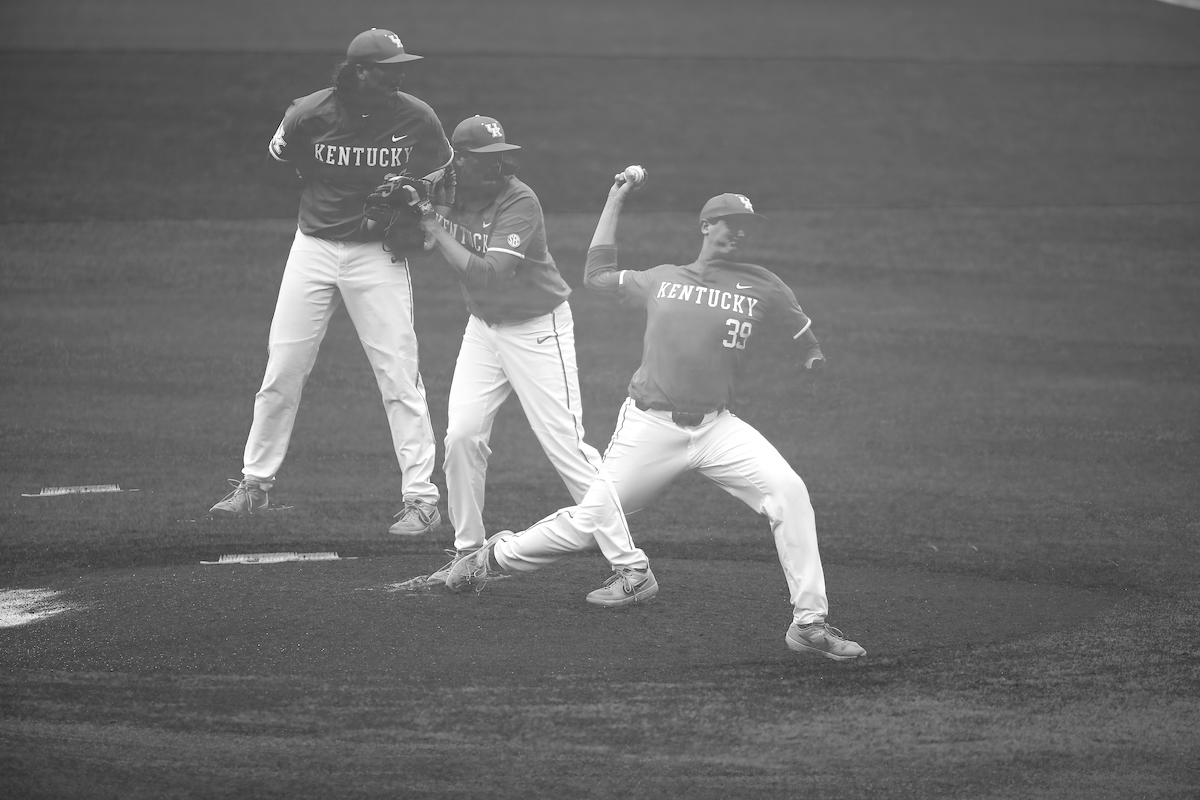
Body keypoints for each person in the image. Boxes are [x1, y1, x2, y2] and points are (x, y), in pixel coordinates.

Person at [446, 174, 866, 661]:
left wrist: (814, 359)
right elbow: (597, 274)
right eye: (729, 223)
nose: (738, 233)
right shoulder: (663, 277)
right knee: (590, 523)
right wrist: (614, 199)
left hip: (717, 428)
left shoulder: (763, 284)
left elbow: (801, 330)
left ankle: (809, 623)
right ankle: (494, 556)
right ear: (706, 225)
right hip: (649, 425)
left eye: (746, 227)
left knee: (789, 491)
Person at [209, 28, 452, 536]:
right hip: (314, 249)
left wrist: (424, 207)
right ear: (358, 70)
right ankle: (254, 485)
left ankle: (422, 499)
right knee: (283, 368)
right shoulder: (308, 112)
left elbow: (445, 170)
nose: (397, 74)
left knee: (399, 374)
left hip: (378, 257)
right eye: (387, 67)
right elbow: (282, 156)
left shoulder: (417, 116)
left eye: (399, 66)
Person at [406, 115, 602, 584]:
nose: (498, 166)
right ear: (459, 159)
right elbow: (412, 241)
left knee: (567, 448)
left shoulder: (519, 198)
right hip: (484, 329)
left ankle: (629, 564)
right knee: (461, 437)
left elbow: (489, 273)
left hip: (539, 330)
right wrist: (404, 212)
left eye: (500, 157)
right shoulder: (437, 187)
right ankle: (468, 554)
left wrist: (432, 223)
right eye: (484, 159)